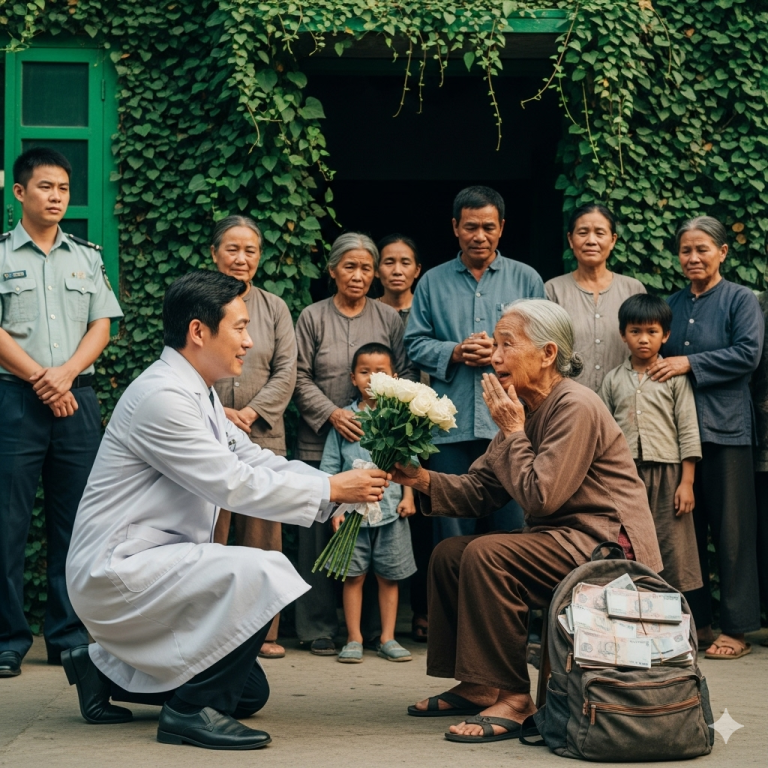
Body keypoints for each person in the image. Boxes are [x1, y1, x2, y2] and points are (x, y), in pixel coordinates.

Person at [63, 271, 389, 750]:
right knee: (265, 570)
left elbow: (253, 458)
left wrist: (333, 487)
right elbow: (233, 483)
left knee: (249, 693)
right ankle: (188, 713)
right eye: (239, 327)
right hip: (117, 570)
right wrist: (333, 489)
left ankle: (98, 669)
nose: (249, 340)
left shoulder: (197, 389)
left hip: (160, 560)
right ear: (199, 331)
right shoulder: (163, 397)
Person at [395, 299, 662, 743]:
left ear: (548, 353)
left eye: (506, 345)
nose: (494, 356)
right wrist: (419, 478)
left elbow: (543, 494)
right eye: (494, 344)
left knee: (487, 555)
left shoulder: (575, 405)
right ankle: (479, 683)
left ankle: (516, 698)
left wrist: (514, 433)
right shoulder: (519, 410)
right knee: (450, 554)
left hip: (606, 547)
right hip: (560, 539)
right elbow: (479, 491)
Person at [0, 148, 123, 679]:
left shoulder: (86, 257)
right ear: (19, 192)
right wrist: (41, 380)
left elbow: (102, 324)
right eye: (45, 187)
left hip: (77, 399)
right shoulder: (2, 255)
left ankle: (68, 635)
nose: (56, 197)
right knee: (7, 523)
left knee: (77, 524)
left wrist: (65, 375)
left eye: (64, 189)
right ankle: (7, 638)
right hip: (14, 400)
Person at [293, 232, 412, 656]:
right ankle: (318, 627)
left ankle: (383, 633)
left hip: (376, 448)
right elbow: (299, 375)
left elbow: (405, 373)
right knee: (319, 534)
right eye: (349, 267)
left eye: (365, 267)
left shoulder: (388, 319)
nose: (358, 275)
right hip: (322, 442)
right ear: (332, 271)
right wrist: (332, 413)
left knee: (379, 533)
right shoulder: (312, 316)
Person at [404, 186, 544, 544]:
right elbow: (413, 344)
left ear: (501, 227)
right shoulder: (432, 282)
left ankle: (510, 601)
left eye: (488, 226)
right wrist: (455, 352)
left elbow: (544, 346)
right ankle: (452, 600)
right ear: (455, 227)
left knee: (513, 528)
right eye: (470, 227)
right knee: (450, 527)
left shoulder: (526, 279)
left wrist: (503, 353)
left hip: (513, 423)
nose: (479, 236)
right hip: (450, 424)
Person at [652, 216, 763, 660]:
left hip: (726, 431)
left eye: (702, 249)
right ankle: (694, 624)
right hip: (677, 435)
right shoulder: (671, 304)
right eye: (685, 250)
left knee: (733, 532)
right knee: (684, 534)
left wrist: (687, 364)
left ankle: (737, 628)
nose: (693, 257)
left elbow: (748, 354)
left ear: (722, 252)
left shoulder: (740, 299)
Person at [210, 215, 297, 660]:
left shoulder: (274, 307)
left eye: (250, 251)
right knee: (211, 531)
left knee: (263, 537)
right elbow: (182, 361)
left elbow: (287, 370)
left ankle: (264, 632)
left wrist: (249, 411)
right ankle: (212, 629)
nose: (241, 258)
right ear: (214, 254)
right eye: (232, 249)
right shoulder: (197, 301)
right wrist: (218, 412)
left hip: (262, 434)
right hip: (207, 432)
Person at [320, 343, 417, 663]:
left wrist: (409, 497)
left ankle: (387, 637)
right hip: (352, 513)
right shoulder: (346, 421)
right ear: (352, 377)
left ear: (394, 377)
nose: (372, 378)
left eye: (380, 372)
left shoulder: (400, 418)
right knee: (354, 576)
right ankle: (354, 638)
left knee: (388, 576)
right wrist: (334, 509)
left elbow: (410, 462)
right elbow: (330, 468)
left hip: (391, 511)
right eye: (364, 372)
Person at [599, 294, 702, 592]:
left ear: (665, 335)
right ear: (623, 334)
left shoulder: (673, 378)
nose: (643, 339)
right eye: (635, 331)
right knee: (630, 542)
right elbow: (603, 436)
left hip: (669, 476)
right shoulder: (612, 380)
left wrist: (687, 482)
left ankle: (675, 619)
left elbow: (688, 429)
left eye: (652, 332)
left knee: (672, 544)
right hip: (625, 478)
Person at [377, 233, 430, 643]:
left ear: (417, 270)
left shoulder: (425, 306)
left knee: (416, 517)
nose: (397, 269)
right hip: (381, 419)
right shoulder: (374, 313)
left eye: (405, 262)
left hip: (422, 419)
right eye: (389, 261)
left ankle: (421, 613)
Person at [545, 203, 646, 392]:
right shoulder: (553, 290)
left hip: (625, 402)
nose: (591, 240)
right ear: (571, 239)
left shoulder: (633, 289)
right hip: (570, 402)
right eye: (583, 233)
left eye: (600, 233)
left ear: (613, 240)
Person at [376, 233, 422, 324]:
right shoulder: (365, 310)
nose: (397, 271)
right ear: (376, 270)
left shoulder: (427, 311)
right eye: (389, 263)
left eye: (405, 263)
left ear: (417, 270)